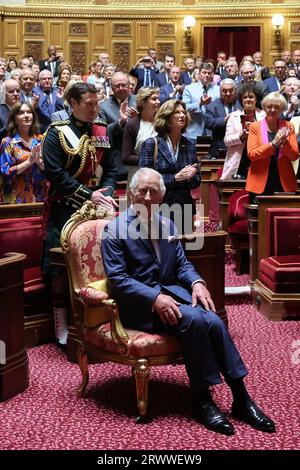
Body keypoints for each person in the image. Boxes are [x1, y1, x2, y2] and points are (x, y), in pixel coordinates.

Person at [101, 167, 276, 436]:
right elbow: (119, 280)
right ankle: (202, 400)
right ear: (131, 193)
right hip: (139, 308)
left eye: (153, 191)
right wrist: (155, 298)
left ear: (162, 195)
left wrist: (196, 282)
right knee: (194, 320)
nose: (147, 196)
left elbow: (182, 264)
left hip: (172, 296)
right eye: (142, 190)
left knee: (214, 320)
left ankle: (241, 398)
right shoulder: (114, 230)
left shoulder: (167, 224)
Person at [42, 82, 118, 345]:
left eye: (97, 103)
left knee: (102, 267)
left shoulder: (102, 131)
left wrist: (105, 194)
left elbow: (111, 168)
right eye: (88, 104)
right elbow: (55, 172)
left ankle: (99, 321)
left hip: (99, 210)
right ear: (73, 104)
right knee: (61, 271)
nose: (95, 108)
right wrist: (87, 194)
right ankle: (63, 328)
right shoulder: (57, 133)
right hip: (65, 211)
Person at [139, 100, 200, 233]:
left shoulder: (189, 145)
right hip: (159, 207)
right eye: (176, 112)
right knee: (158, 250)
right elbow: (144, 181)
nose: (182, 115)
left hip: (185, 209)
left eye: (183, 112)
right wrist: (175, 178)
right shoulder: (151, 144)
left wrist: (190, 177)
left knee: (183, 250)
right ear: (166, 117)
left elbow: (197, 181)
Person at [246, 92, 299, 203]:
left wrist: (285, 143)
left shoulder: (288, 126)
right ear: (264, 108)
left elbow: (294, 156)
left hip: (284, 181)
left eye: (277, 107)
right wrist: (273, 144)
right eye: (269, 106)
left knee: (283, 218)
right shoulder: (255, 127)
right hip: (259, 180)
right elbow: (252, 154)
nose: (273, 110)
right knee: (259, 218)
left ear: (282, 109)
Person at [0, 102, 46, 203]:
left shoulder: (41, 140)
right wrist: (29, 162)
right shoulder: (8, 142)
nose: (26, 115)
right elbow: (5, 172)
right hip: (16, 199)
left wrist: (38, 162)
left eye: (29, 112)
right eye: (21, 113)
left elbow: (50, 169)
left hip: (40, 197)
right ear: (14, 118)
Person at [221, 83, 265, 181]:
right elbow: (226, 140)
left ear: (256, 99)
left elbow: (267, 139)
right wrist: (240, 137)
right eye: (245, 97)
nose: (248, 99)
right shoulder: (234, 116)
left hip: (258, 160)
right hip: (238, 161)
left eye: (251, 97)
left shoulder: (264, 116)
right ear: (241, 100)